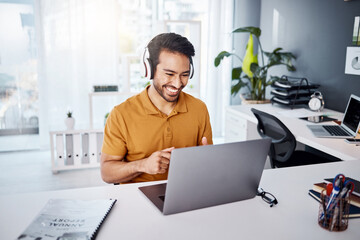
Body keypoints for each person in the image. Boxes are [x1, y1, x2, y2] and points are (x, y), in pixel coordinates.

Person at [100, 33, 213, 184]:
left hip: (186, 192)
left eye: (184, 75)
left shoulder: (199, 109)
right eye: (169, 74)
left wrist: (208, 160)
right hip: (138, 197)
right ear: (149, 69)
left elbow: (206, 164)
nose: (178, 83)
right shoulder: (121, 114)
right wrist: (142, 165)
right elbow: (107, 173)